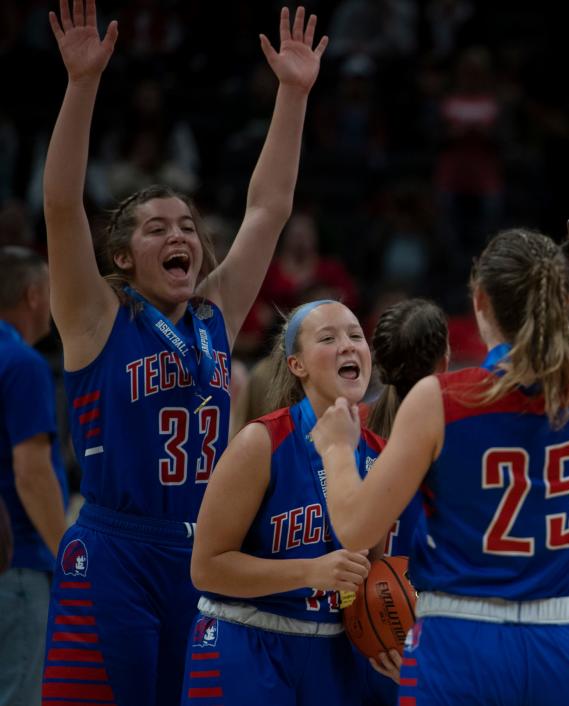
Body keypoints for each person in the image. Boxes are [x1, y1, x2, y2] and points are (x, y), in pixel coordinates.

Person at [310, 45, 569, 706]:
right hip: (564, 643)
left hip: (463, 643)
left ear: (478, 305)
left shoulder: (439, 400)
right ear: (565, 301)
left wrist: (335, 451)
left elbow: (356, 530)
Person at [40, 3, 326, 704]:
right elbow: (59, 206)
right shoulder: (93, 317)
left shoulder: (215, 314)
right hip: (118, 548)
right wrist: (81, 85)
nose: (181, 236)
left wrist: (293, 95)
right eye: (157, 228)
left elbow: (268, 209)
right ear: (121, 255)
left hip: (202, 552)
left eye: (189, 226)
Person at [185, 301, 381, 706]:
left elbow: (378, 573)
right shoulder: (261, 443)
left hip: (333, 649)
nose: (347, 345)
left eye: (356, 335)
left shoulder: (380, 455)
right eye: (328, 338)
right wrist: (311, 570)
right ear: (297, 365)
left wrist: (392, 626)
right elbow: (206, 568)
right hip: (246, 642)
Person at [357, 297, 450, 705]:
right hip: (435, 637)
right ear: (445, 360)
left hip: (357, 633)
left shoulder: (349, 427)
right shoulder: (460, 436)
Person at [0, 247, 68, 706]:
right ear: (34, 295)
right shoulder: (22, 363)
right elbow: (32, 472)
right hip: (17, 561)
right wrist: (69, 556)